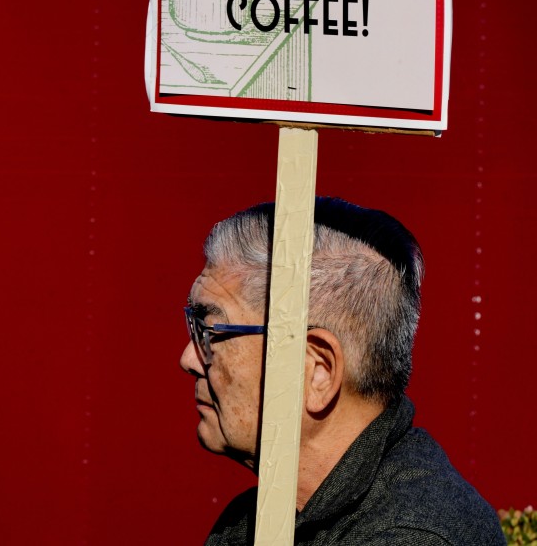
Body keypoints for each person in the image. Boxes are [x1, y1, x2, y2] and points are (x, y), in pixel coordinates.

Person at [180, 197, 505, 545]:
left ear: (317, 371)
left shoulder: (413, 535)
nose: (188, 359)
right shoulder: (252, 523)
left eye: (211, 331)